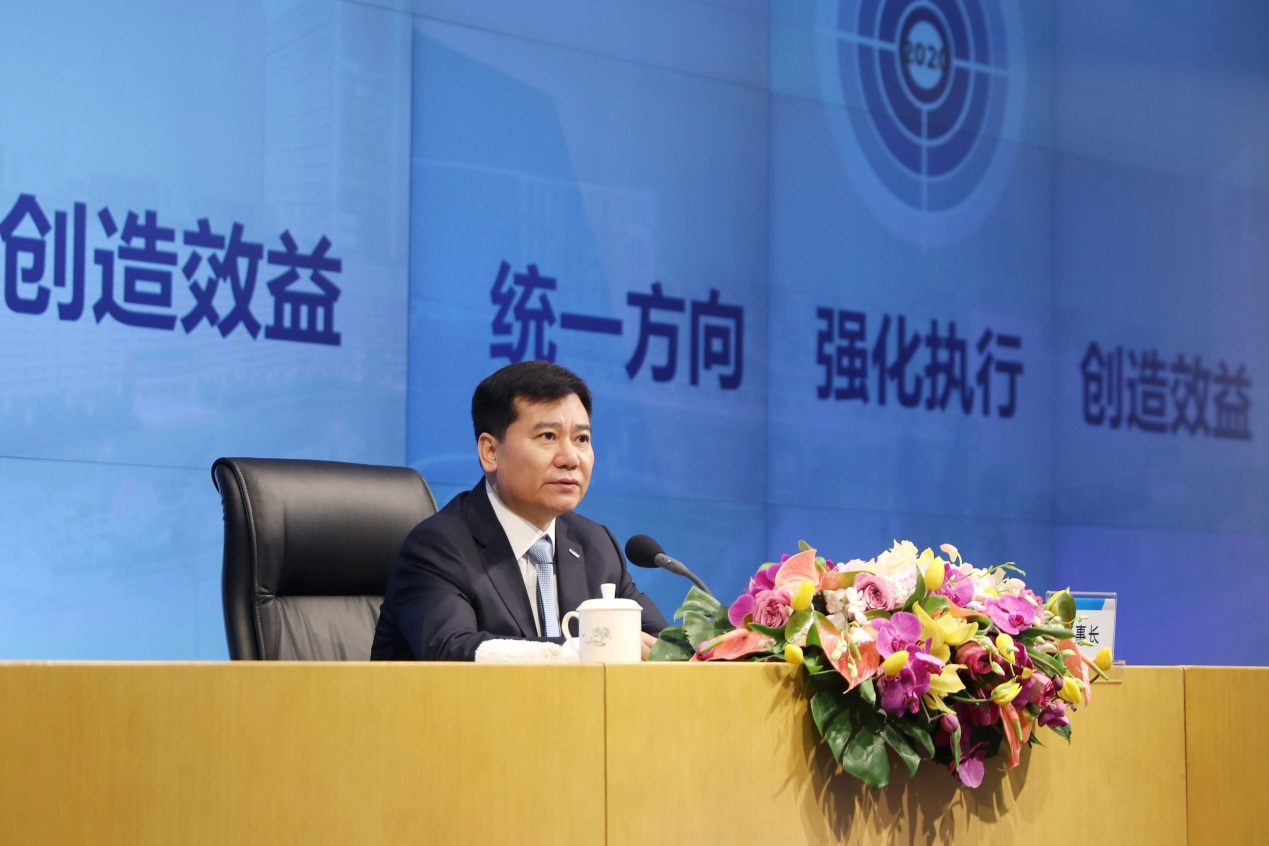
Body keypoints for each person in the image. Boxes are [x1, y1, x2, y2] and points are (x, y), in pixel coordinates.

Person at [371, 360, 667, 661]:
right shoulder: (438, 547)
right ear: (490, 452)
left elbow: (665, 646)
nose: (570, 458)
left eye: (581, 439)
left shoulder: (596, 545)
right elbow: (454, 652)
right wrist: (588, 650)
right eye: (548, 436)